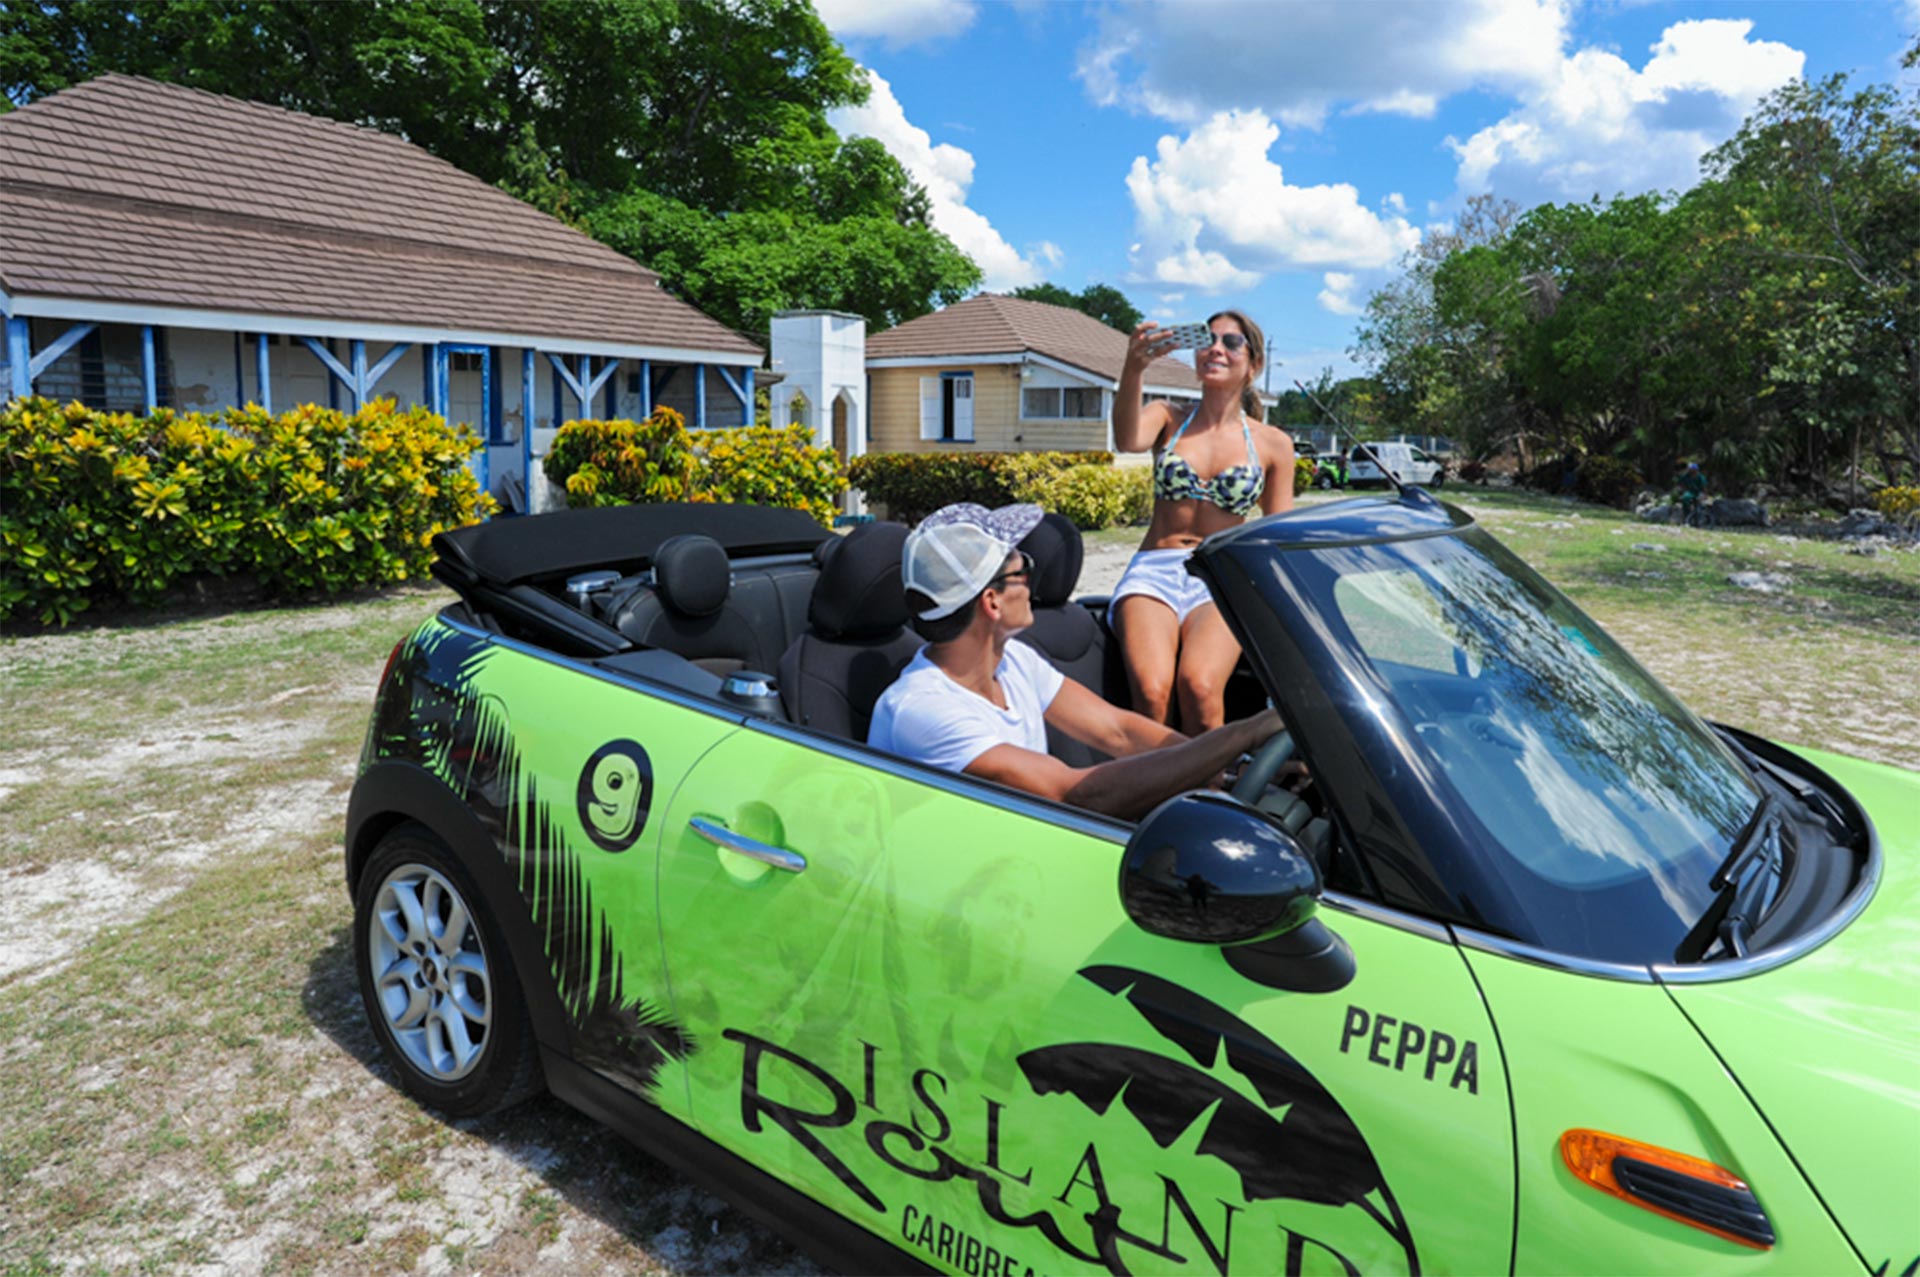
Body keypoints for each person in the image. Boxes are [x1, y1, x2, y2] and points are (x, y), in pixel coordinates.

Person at [867, 502, 1281, 822]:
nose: (1034, 579)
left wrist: (1230, 768)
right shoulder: (923, 710)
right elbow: (1074, 793)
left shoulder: (1013, 663)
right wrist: (1243, 734)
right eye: (1022, 569)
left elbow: (1118, 731)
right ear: (991, 601)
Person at [1111, 311, 1294, 732]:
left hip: (1221, 578)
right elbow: (1127, 439)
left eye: (1231, 343)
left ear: (1254, 365)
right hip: (1154, 570)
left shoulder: (1273, 444)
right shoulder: (1166, 417)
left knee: (1199, 686)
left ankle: (1209, 793)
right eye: (1207, 340)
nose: (1216, 349)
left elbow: (1276, 534)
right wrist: (1134, 365)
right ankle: (1151, 792)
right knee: (1153, 690)